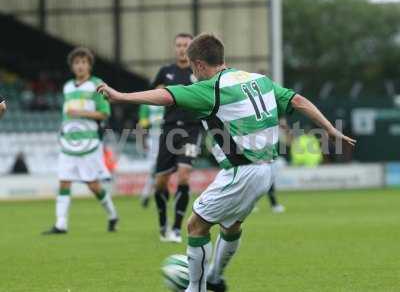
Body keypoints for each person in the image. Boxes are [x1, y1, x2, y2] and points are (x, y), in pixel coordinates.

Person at [97, 34, 356, 292]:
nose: (194, 75)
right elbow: (298, 101)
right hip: (266, 172)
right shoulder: (259, 80)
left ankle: (195, 288)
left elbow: (166, 96)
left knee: (195, 226)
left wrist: (121, 96)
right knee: (231, 226)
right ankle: (215, 278)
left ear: (198, 65)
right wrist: (330, 128)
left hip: (242, 171)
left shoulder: (212, 88)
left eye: (193, 69)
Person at [43, 47, 118, 235]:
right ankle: (61, 224)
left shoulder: (97, 84)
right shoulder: (68, 86)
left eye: (83, 62)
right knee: (64, 181)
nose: (80, 66)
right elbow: (66, 116)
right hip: (68, 144)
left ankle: (112, 214)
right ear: (72, 66)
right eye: (76, 63)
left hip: (89, 144)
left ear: (89, 65)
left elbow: (104, 113)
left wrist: (80, 112)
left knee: (93, 185)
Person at [151, 33, 202, 243]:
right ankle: (163, 223)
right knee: (160, 182)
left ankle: (176, 229)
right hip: (169, 130)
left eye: (186, 45)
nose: (182, 49)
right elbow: (155, 93)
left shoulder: (198, 71)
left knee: (183, 175)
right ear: (175, 48)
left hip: (192, 130)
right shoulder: (166, 72)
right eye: (179, 45)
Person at [138, 104, 164, 207]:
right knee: (154, 169)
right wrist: (143, 140)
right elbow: (142, 124)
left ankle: (150, 194)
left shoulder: (170, 101)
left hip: (170, 139)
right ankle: (147, 194)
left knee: (166, 169)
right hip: (154, 141)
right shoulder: (147, 106)